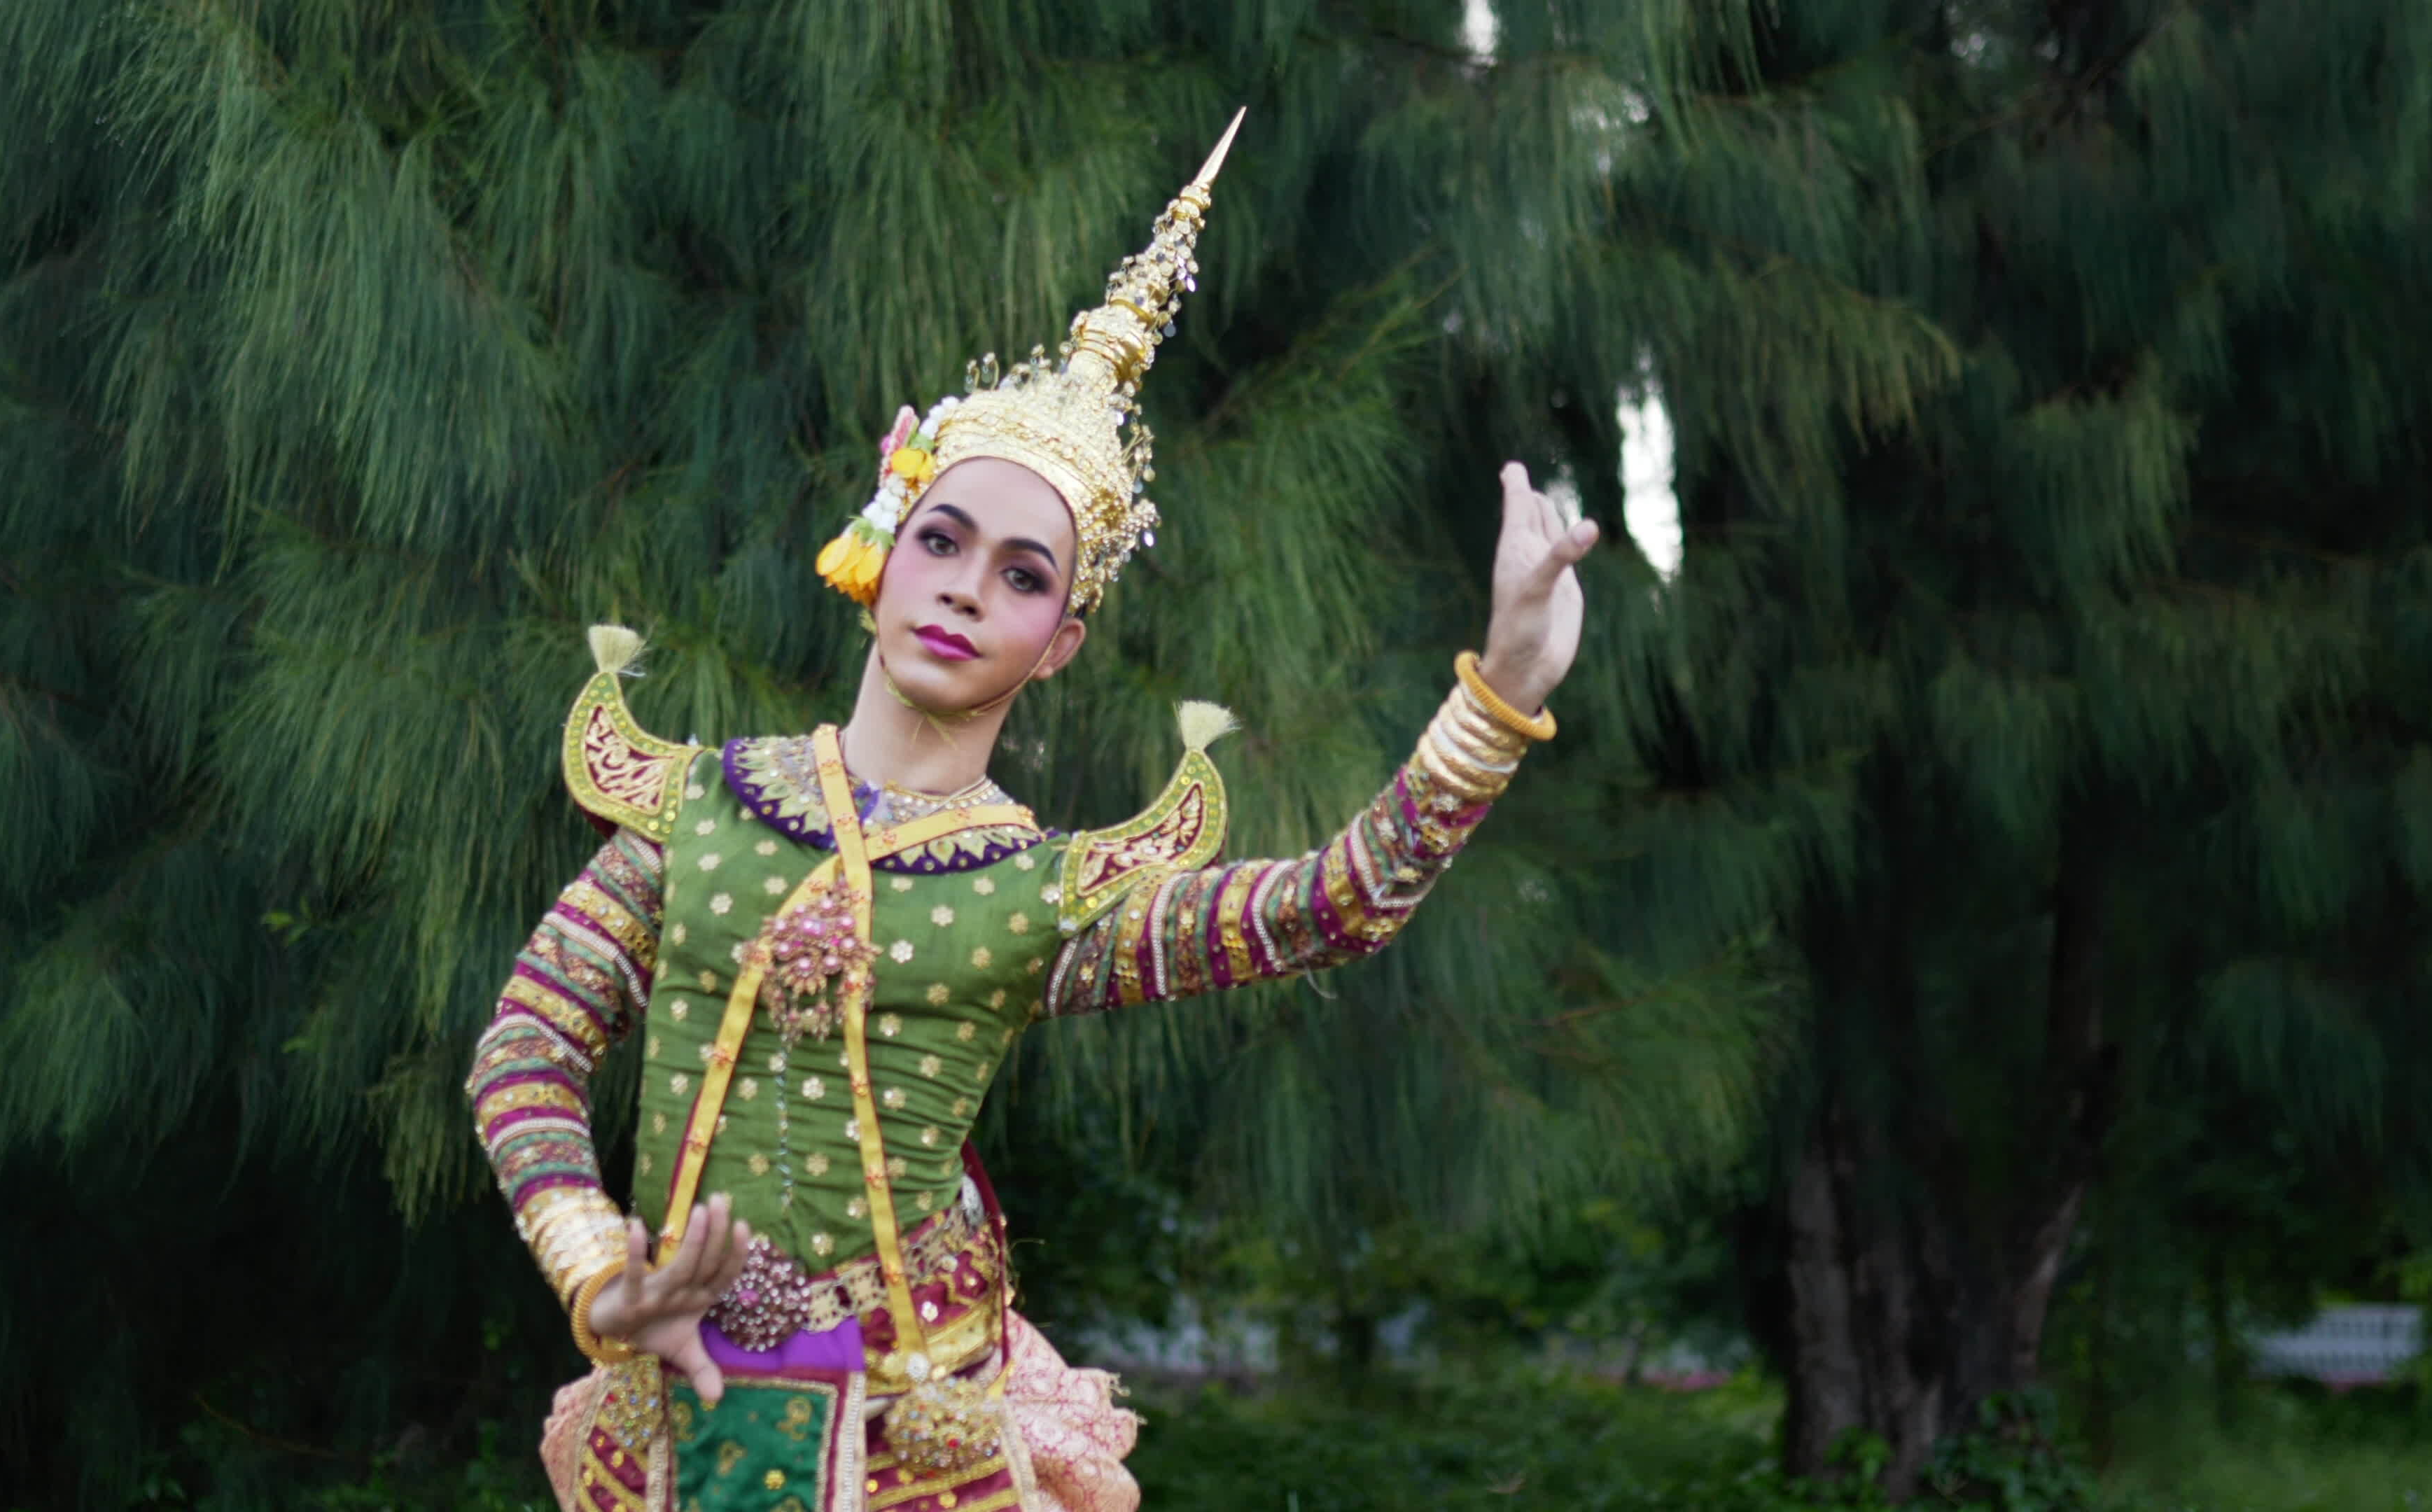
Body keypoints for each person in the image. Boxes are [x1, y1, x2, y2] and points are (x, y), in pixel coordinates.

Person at [467, 111, 1595, 1512]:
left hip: (930, 1451)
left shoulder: (1039, 895)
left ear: (1059, 637)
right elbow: (524, 1044)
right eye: (938, 541)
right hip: (678, 1423)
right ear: (879, 556)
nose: (959, 589)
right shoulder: (700, 813)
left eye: (1017, 574)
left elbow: (1334, 902)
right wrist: (599, 1271)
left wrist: (1494, 698)